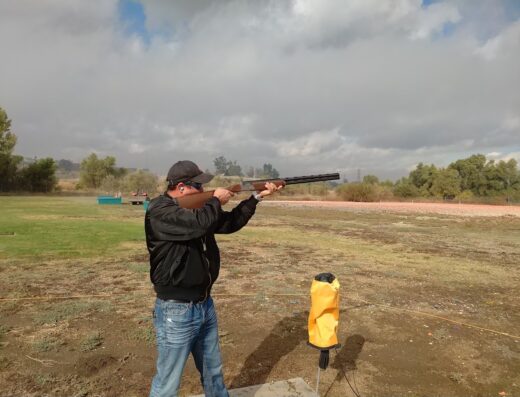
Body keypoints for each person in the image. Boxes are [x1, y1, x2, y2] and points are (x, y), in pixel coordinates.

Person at [145, 160, 282, 397]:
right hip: (176, 310)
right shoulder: (160, 211)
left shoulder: (197, 210)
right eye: (198, 186)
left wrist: (256, 198)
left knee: (213, 373)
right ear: (181, 188)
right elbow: (201, 224)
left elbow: (229, 223)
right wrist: (215, 200)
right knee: (168, 383)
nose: (202, 190)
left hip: (205, 305)